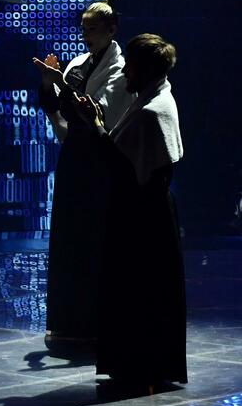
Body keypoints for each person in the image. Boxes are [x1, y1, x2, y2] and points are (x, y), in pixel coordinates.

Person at [75, 33, 187, 384]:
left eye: (131, 67)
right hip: (149, 210)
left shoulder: (151, 112)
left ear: (144, 69)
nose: (125, 73)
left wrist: (95, 125)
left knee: (137, 290)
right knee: (148, 291)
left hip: (141, 216)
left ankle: (139, 364)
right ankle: (145, 363)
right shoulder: (157, 98)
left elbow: (119, 162)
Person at [32, 0, 132, 343]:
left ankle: (96, 317)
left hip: (99, 161)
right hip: (75, 158)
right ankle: (69, 316)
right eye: (84, 28)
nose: (86, 35)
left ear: (111, 29)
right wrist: (49, 84)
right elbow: (57, 107)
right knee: (70, 237)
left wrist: (61, 84)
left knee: (95, 237)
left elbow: (97, 112)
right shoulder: (78, 64)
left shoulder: (120, 71)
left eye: (92, 29)